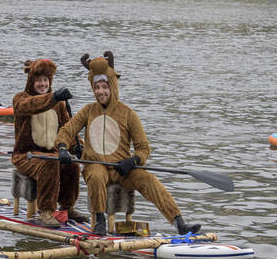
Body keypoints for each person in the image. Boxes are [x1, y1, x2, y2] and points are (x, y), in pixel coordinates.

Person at [56, 52, 201, 237]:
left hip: (122, 169)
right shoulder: (87, 111)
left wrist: (134, 160)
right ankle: (99, 221)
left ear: (113, 86)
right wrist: (62, 148)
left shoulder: (128, 114)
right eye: (96, 87)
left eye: (104, 87)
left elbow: (143, 147)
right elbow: (66, 131)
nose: (100, 91)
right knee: (95, 175)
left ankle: (179, 222)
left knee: (149, 180)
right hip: (96, 166)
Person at [11, 59, 87, 228]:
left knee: (72, 166)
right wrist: (52, 97)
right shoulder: (20, 99)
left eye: (46, 80)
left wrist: (78, 147)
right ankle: (46, 211)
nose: (42, 84)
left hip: (52, 153)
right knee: (50, 164)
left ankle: (67, 207)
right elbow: (31, 105)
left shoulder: (59, 104)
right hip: (26, 155)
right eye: (39, 80)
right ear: (31, 81)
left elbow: (67, 129)